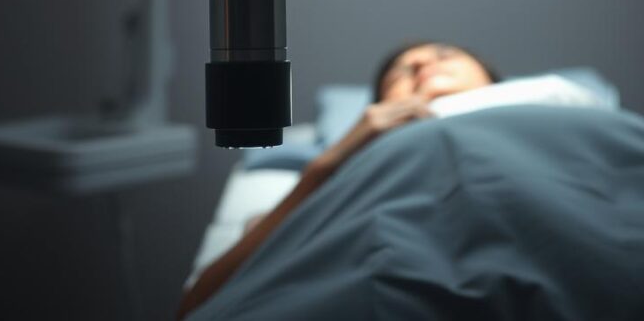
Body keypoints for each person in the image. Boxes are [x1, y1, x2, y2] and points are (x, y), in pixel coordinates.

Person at [177, 41, 499, 319]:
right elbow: (197, 307)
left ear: (495, 84)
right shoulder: (339, 182)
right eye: (400, 72)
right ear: (379, 106)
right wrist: (324, 169)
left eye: (444, 54)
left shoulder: (543, 114)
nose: (420, 63)